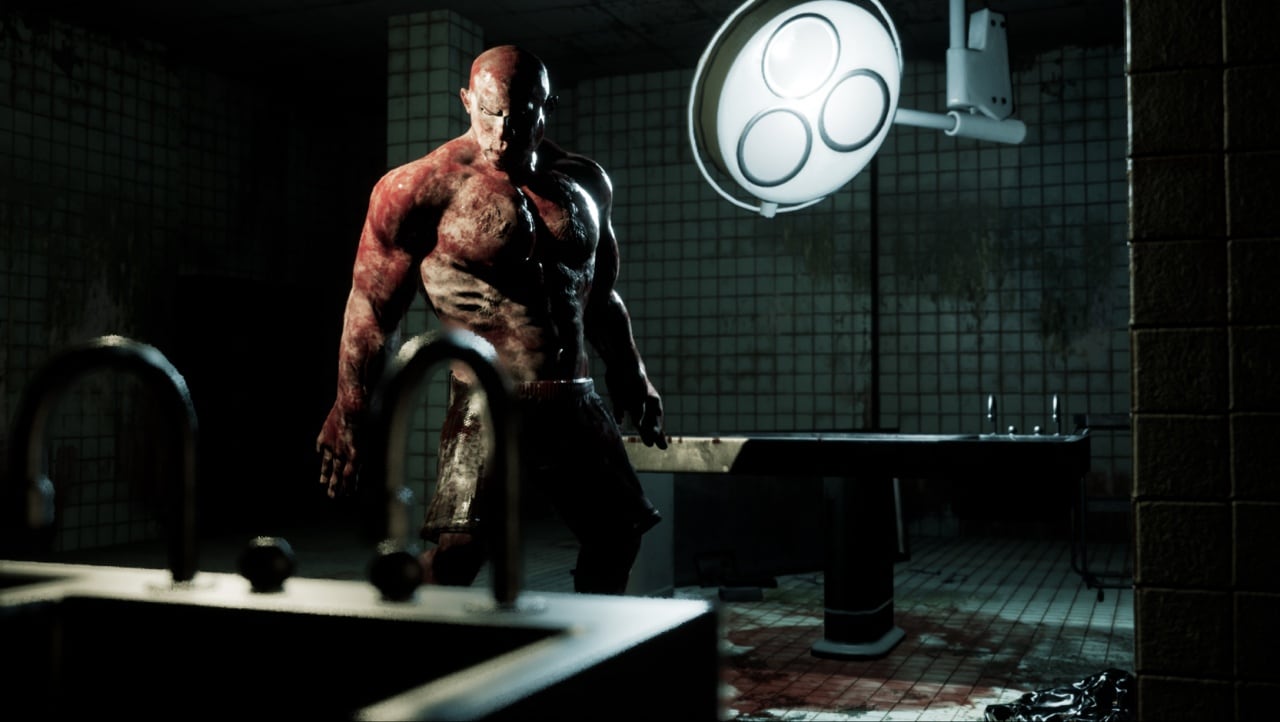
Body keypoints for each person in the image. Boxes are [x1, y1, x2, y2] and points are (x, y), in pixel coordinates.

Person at [315, 44, 668, 595]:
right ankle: (404, 621)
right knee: (458, 555)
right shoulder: (419, 189)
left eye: (521, 114)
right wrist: (351, 410)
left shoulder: (584, 182)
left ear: (547, 106)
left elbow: (599, 296)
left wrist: (631, 372)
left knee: (618, 534)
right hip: (486, 400)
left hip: (573, 398)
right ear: (467, 101)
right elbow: (372, 311)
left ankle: (587, 638)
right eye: (490, 112)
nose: (503, 132)